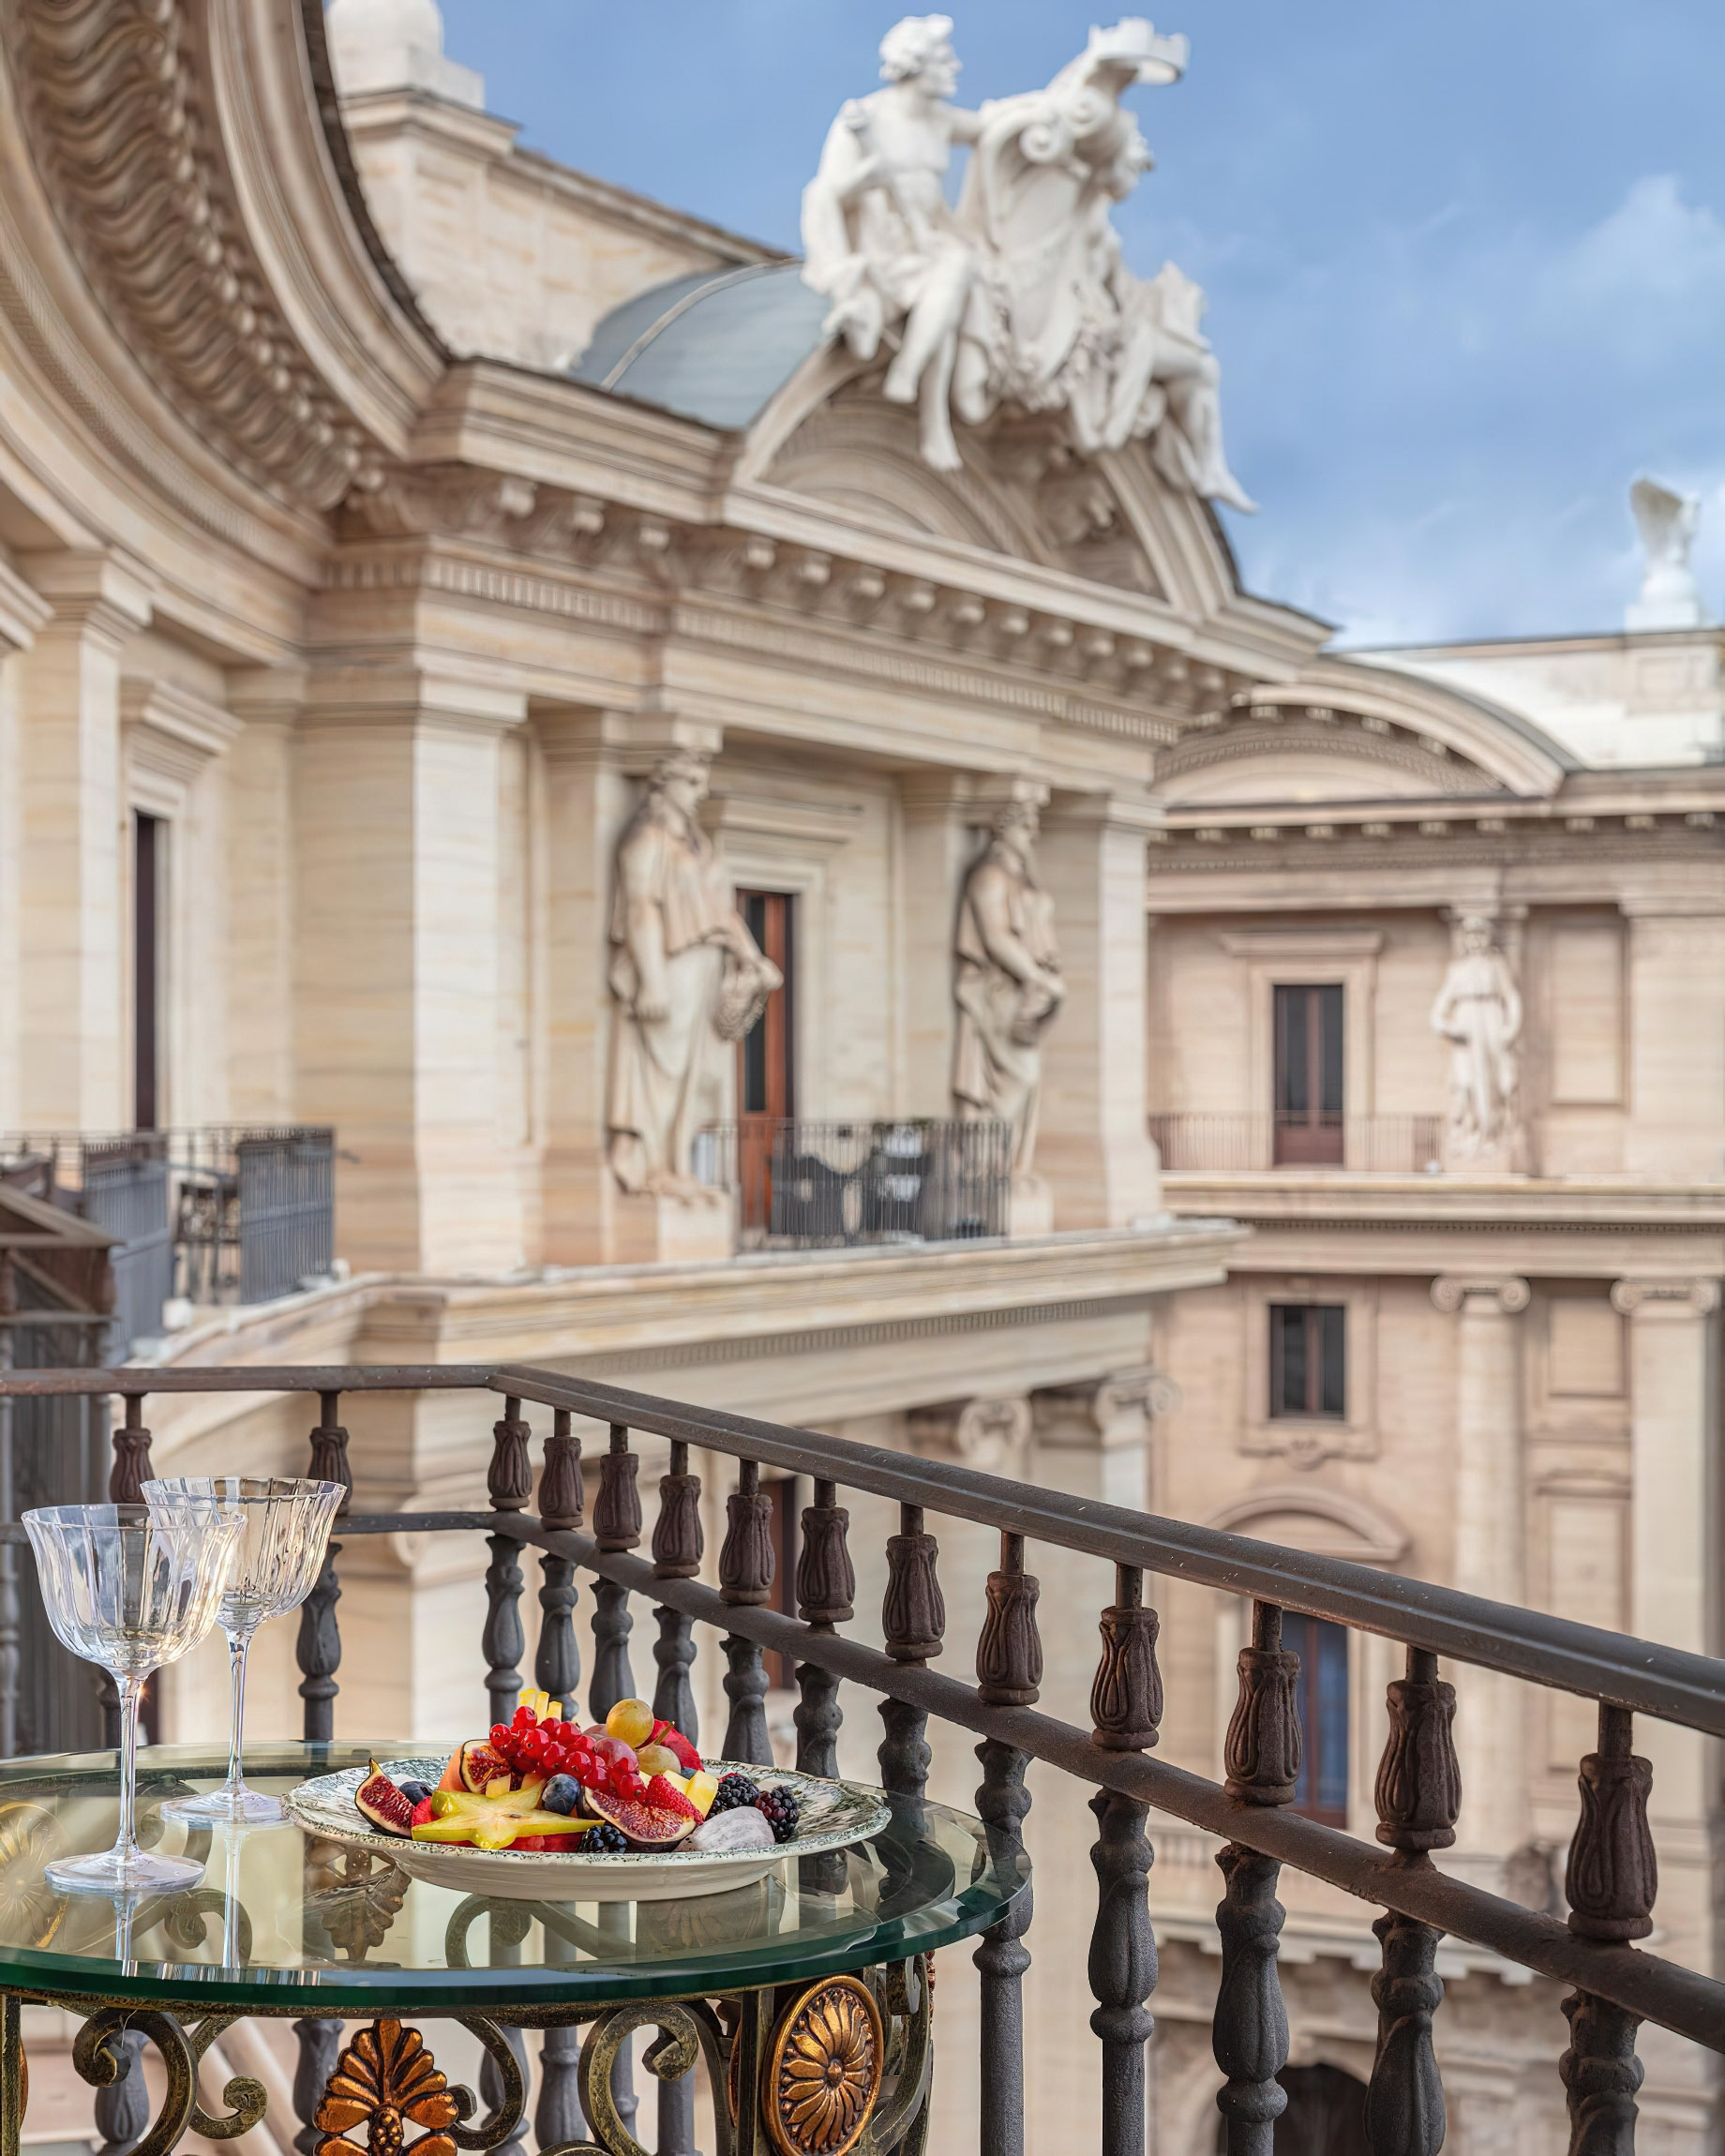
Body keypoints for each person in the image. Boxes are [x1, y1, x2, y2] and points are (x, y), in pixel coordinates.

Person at [801, 14, 987, 471]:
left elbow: (992, 125)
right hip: (884, 244)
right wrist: (869, 175)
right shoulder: (864, 120)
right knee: (952, 283)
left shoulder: (941, 120)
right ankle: (928, 415)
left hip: (928, 239)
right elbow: (827, 193)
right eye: (945, 59)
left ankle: (911, 378)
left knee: (953, 276)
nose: (956, 67)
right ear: (915, 65)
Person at [607, 752, 780, 1197]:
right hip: (671, 964)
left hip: (705, 966)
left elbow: (721, 913)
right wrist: (651, 978)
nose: (701, 791)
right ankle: (653, 1166)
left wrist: (751, 956)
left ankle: (680, 1166)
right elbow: (639, 907)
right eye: (692, 781)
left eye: (702, 782)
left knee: (698, 1072)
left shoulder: (697, 843)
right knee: (665, 1069)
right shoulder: (646, 839)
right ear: (664, 783)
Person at [952, 801, 1065, 1170]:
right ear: (1002, 829)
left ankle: (1010, 1169)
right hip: (1000, 992)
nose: (1033, 833)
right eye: (1025, 825)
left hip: (1027, 991)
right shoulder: (990, 877)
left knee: (1026, 1082)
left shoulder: (1021, 877)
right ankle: (987, 1169)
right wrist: (1039, 978)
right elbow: (995, 936)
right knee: (1016, 1077)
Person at [1430, 915, 1522, 1161]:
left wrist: (1511, 1028)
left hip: (1491, 1021)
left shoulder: (1496, 965)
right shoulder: (1457, 969)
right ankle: (1469, 1137)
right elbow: (1438, 1012)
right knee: (1466, 1084)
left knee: (1493, 1084)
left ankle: (1492, 1136)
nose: (1476, 940)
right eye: (1471, 935)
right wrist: (1448, 1029)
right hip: (1466, 1027)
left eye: (1481, 934)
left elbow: (1511, 997)